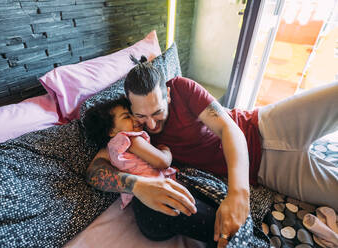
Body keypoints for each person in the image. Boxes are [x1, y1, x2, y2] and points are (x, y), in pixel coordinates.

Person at [85, 55, 338, 247]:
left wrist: (238, 194)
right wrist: (136, 186)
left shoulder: (183, 89)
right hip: (267, 171)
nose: (150, 124)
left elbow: (230, 130)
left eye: (157, 112)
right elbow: (95, 170)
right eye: (140, 115)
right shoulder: (132, 130)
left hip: (266, 127)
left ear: (169, 95)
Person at [83, 96, 222, 247]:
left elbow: (94, 169)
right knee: (211, 221)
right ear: (111, 130)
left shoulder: (111, 149)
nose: (136, 119)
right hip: (156, 203)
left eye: (133, 113)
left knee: (202, 213)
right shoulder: (132, 138)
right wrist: (165, 150)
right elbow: (162, 162)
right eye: (126, 116)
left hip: (145, 215)